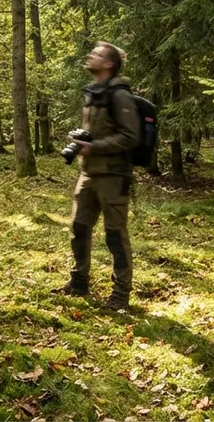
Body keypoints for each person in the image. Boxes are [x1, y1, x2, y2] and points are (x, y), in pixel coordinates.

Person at [54, 41, 139, 310]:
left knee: (115, 235)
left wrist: (95, 147)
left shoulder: (120, 96)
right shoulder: (94, 93)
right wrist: (83, 139)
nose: (90, 56)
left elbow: (130, 136)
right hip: (88, 173)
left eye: (97, 54)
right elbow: (101, 131)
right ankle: (79, 282)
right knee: (79, 228)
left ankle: (120, 294)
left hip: (114, 176)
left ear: (109, 64)